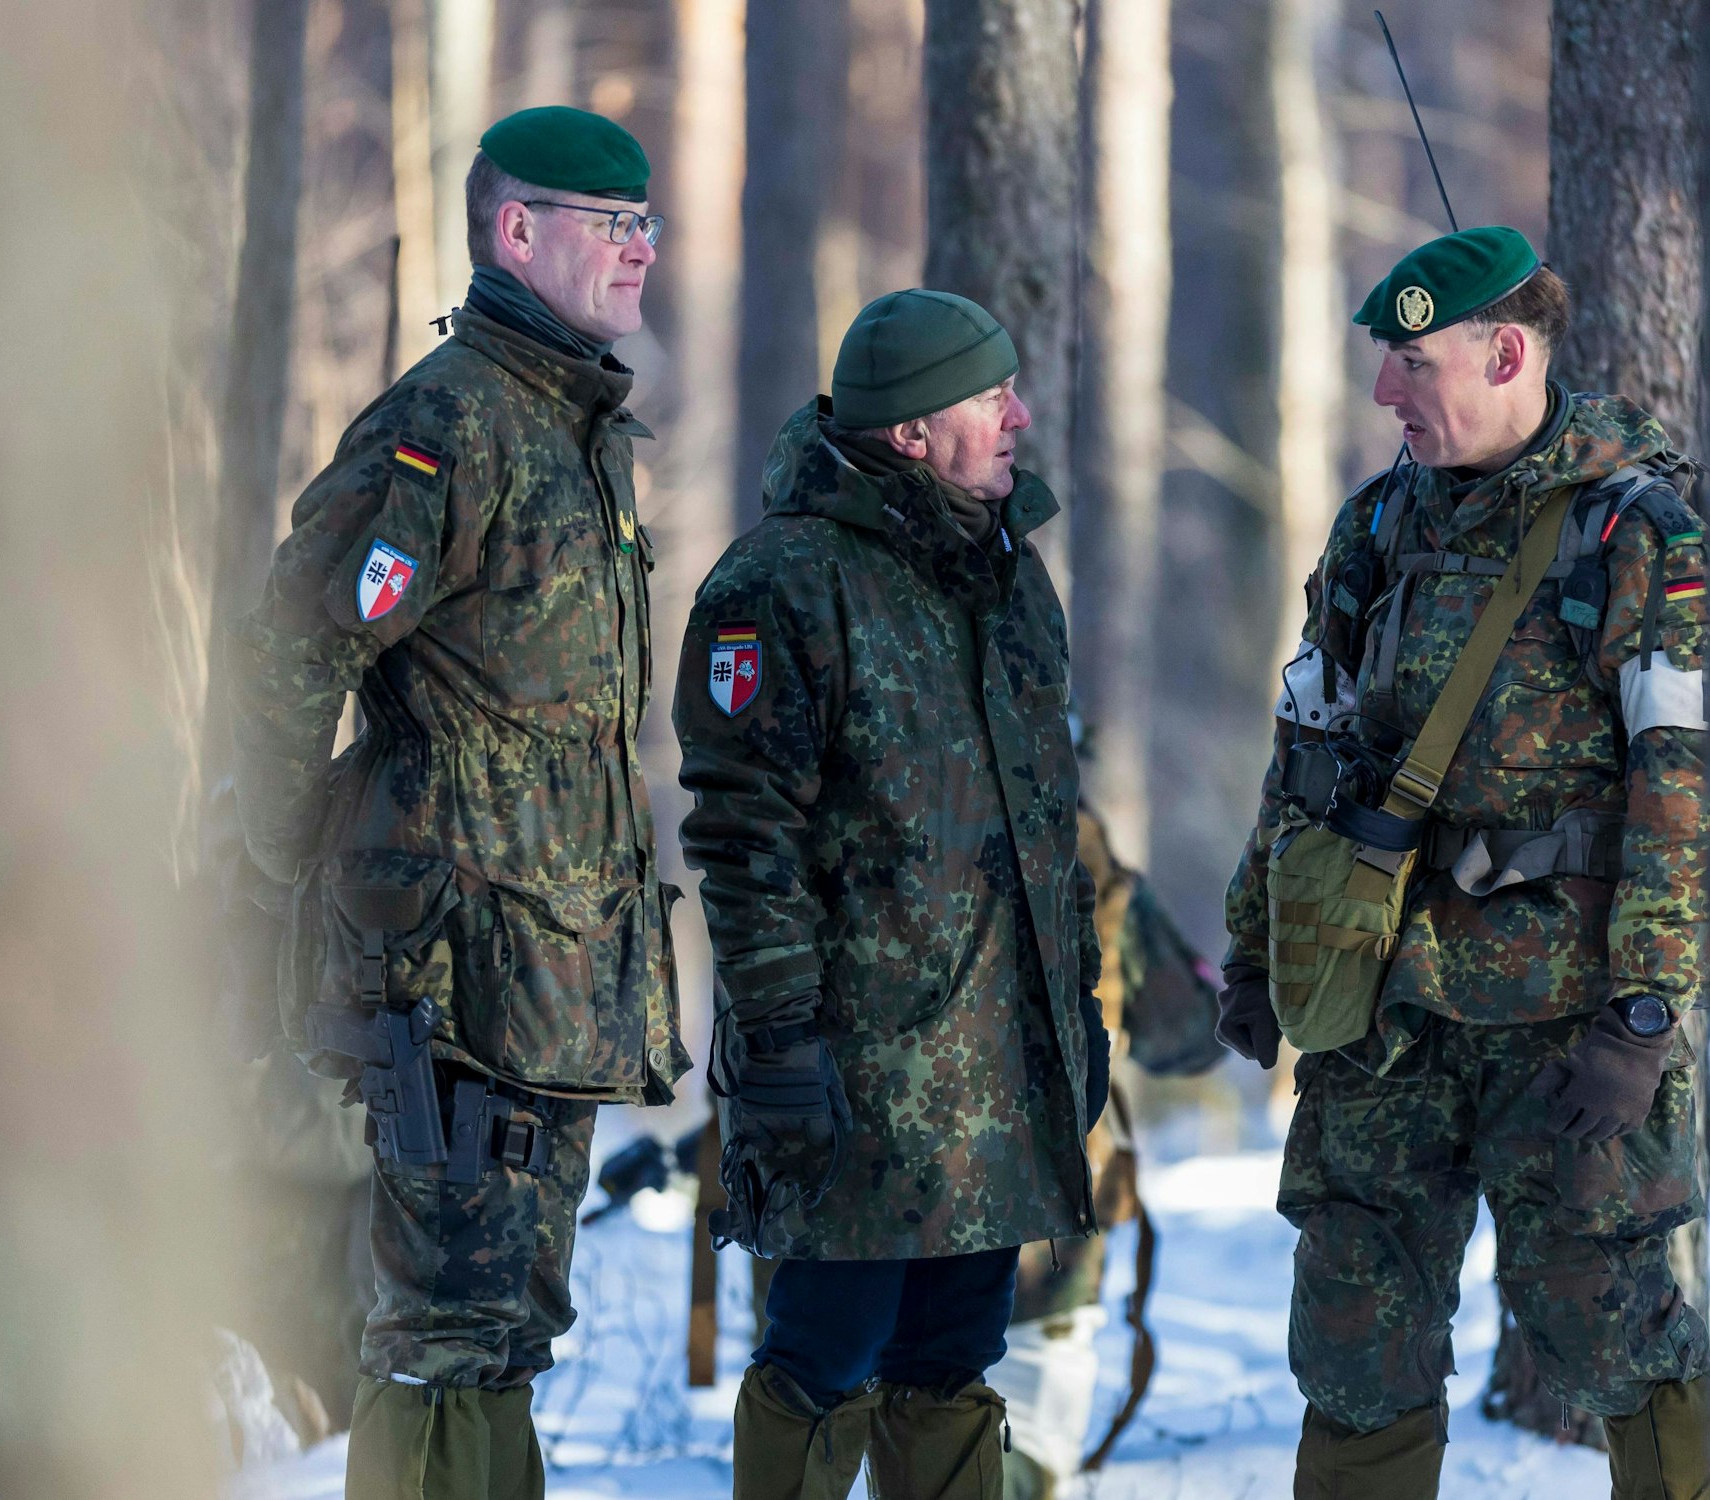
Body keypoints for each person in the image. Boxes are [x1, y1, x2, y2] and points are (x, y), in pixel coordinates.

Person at [224, 105, 689, 1500]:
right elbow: (294, 649)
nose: (640, 252)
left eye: (644, 226)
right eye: (612, 226)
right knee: (440, 1336)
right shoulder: (446, 426)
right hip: (450, 987)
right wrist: (298, 866)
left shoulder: (580, 429)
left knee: (501, 1334)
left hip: (555, 982)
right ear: (516, 232)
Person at [1218, 226, 1710, 1499]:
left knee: (1618, 1339)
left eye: (1409, 361)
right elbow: (1304, 750)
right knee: (1351, 1342)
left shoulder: (1635, 532)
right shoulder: (1377, 522)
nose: (1384, 392)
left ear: (1503, 353)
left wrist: (1643, 1013)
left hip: (1565, 1022)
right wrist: (1257, 948)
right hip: (1382, 1007)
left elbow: (1684, 788)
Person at [674, 289, 1108, 1500]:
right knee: (824, 1356)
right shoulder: (780, 584)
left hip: (993, 1077)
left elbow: (1046, 824)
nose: (1021, 415)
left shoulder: (1012, 579)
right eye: (991, 397)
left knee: (954, 1359)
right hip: (856, 1073)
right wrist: (778, 1040)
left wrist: (1072, 1015)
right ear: (910, 433)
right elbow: (742, 834)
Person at [995, 802, 1227, 1500]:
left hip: (879, 1199)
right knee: (1027, 1435)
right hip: (1052, 1208)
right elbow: (1187, 1032)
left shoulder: (865, 774)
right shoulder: (1073, 829)